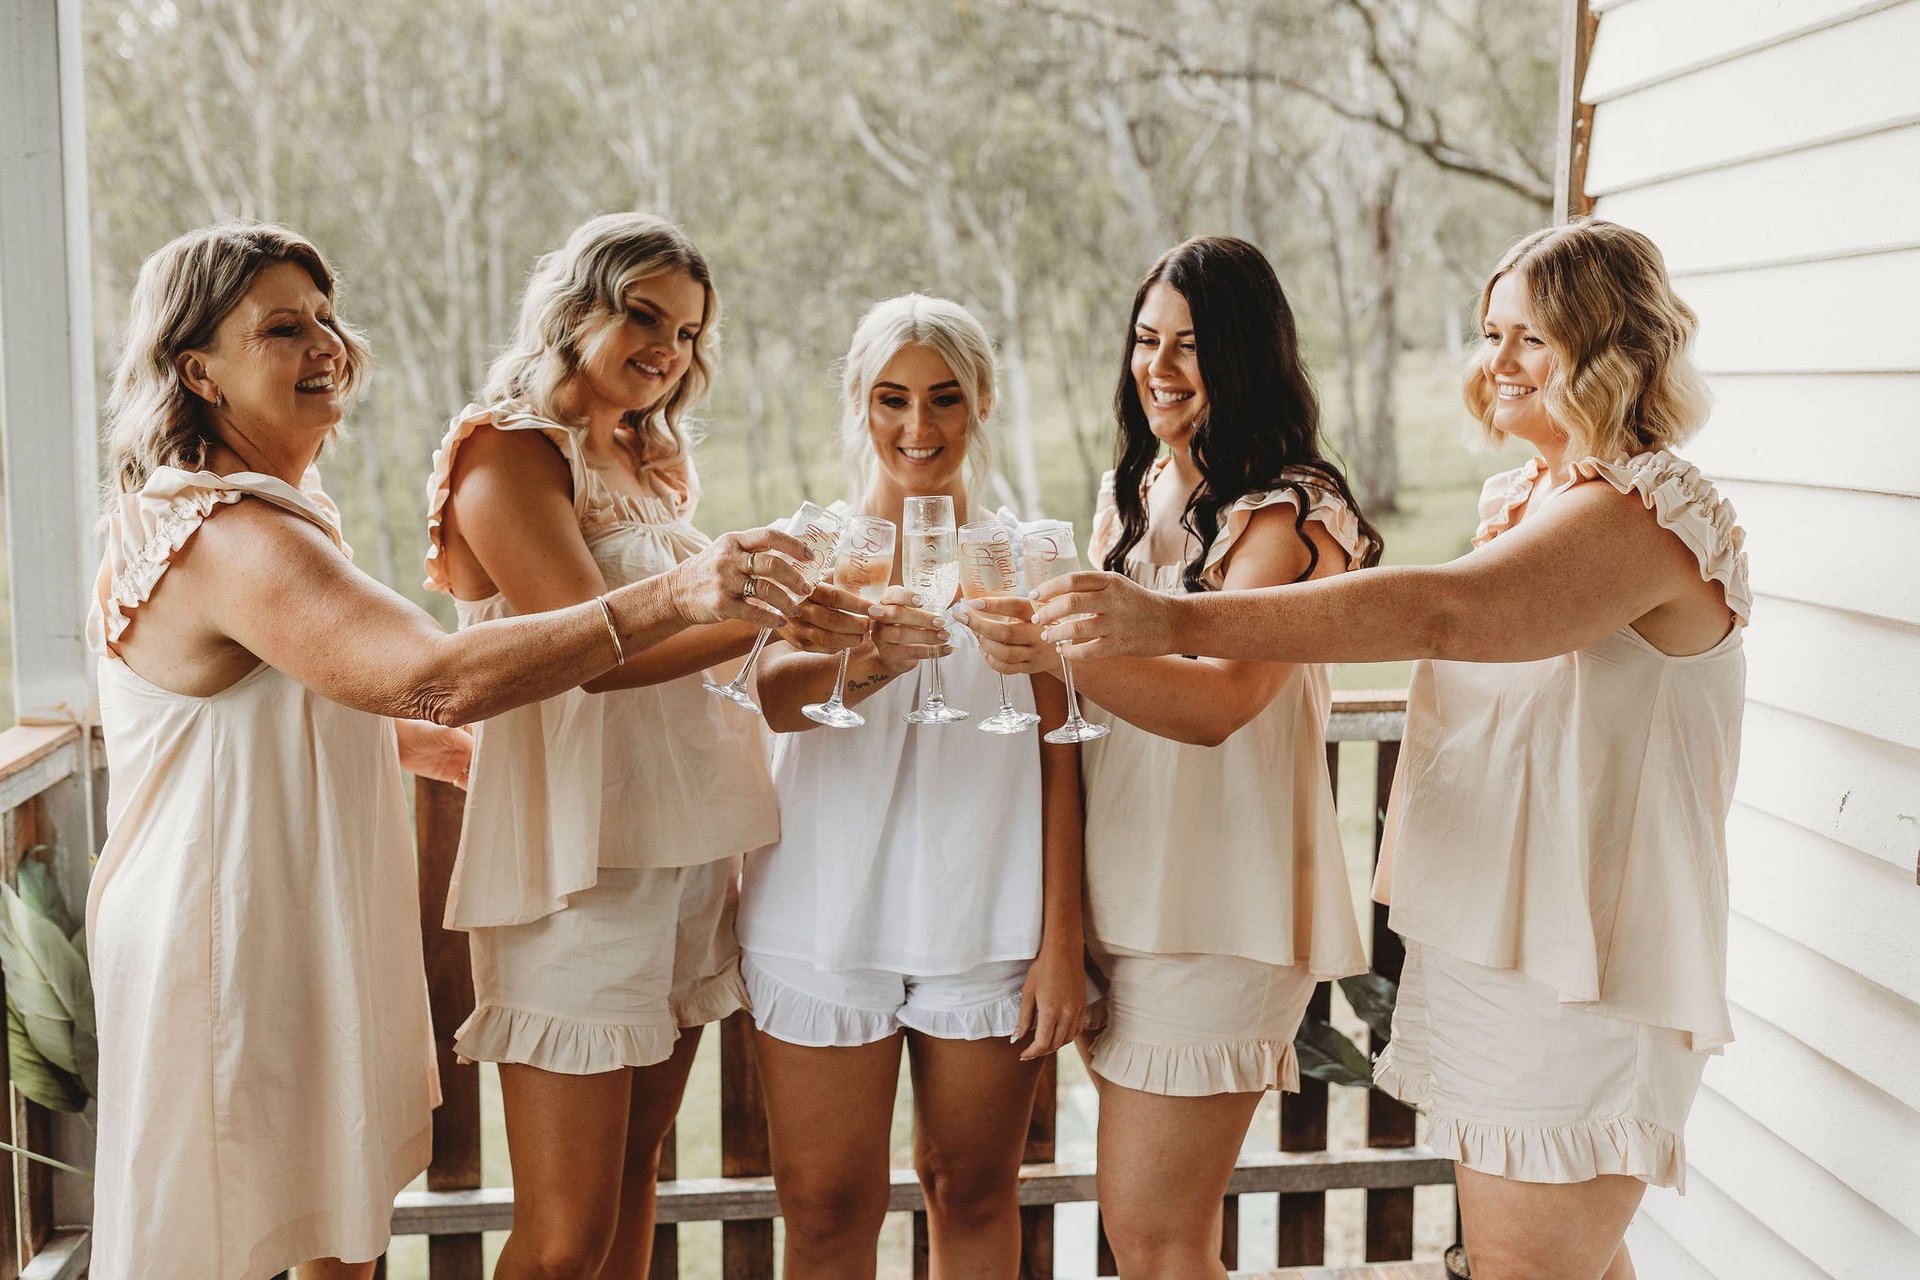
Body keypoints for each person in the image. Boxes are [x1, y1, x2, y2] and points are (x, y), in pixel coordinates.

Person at [88, 221, 824, 1280]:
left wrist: (425, 747)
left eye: (327, 318)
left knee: (326, 1236)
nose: (326, 343)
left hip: (286, 902)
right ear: (195, 368)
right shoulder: (228, 532)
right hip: (221, 926)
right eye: (283, 327)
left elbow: (273, 698)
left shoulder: (249, 514)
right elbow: (429, 667)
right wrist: (679, 592)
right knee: (224, 1234)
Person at [1026, 219, 1747, 1280]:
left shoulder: (1647, 512)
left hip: (1590, 959)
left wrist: (1169, 620)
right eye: (1489, 331)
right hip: (1503, 945)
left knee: (1527, 1265)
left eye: (1529, 339)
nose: (1492, 361)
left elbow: (1448, 614)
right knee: (1564, 1263)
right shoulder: (1526, 501)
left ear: (1611, 351)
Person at [422, 212, 867, 1280]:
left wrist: (806, 614)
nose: (668, 348)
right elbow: (598, 652)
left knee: (635, 1184)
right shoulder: (507, 450)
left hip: (687, 837)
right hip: (576, 857)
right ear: (578, 307)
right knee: (564, 1231)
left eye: (688, 332)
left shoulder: (646, 453)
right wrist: (771, 613)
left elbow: (699, 649)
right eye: (643, 315)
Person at [965, 236, 1376, 1280]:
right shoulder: (1130, 493)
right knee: (1154, 1237)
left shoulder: (1291, 511)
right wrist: (1067, 926)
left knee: (1155, 1238)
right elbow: (1088, 717)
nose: (1160, 367)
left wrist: (1060, 653)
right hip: (1127, 895)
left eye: (1190, 346)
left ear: (1245, 356)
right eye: (1146, 341)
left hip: (1220, 905)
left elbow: (1221, 704)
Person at [739, 294, 1088, 1279]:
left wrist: (1061, 940)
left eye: (944, 398)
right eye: (891, 398)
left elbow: (1063, 742)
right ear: (859, 401)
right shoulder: (812, 551)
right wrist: (873, 661)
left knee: (974, 1189)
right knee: (822, 1208)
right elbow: (772, 699)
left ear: (981, 401)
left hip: (986, 910)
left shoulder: (1029, 557)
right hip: (818, 908)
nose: (918, 426)